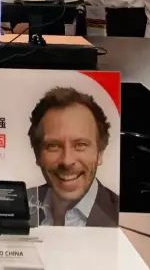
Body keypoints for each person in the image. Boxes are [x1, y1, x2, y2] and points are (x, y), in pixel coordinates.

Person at [27, 87, 119, 227]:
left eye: (80, 145)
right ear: (37, 154)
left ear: (100, 153)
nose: (67, 161)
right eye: (53, 146)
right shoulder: (16, 206)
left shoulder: (122, 216)